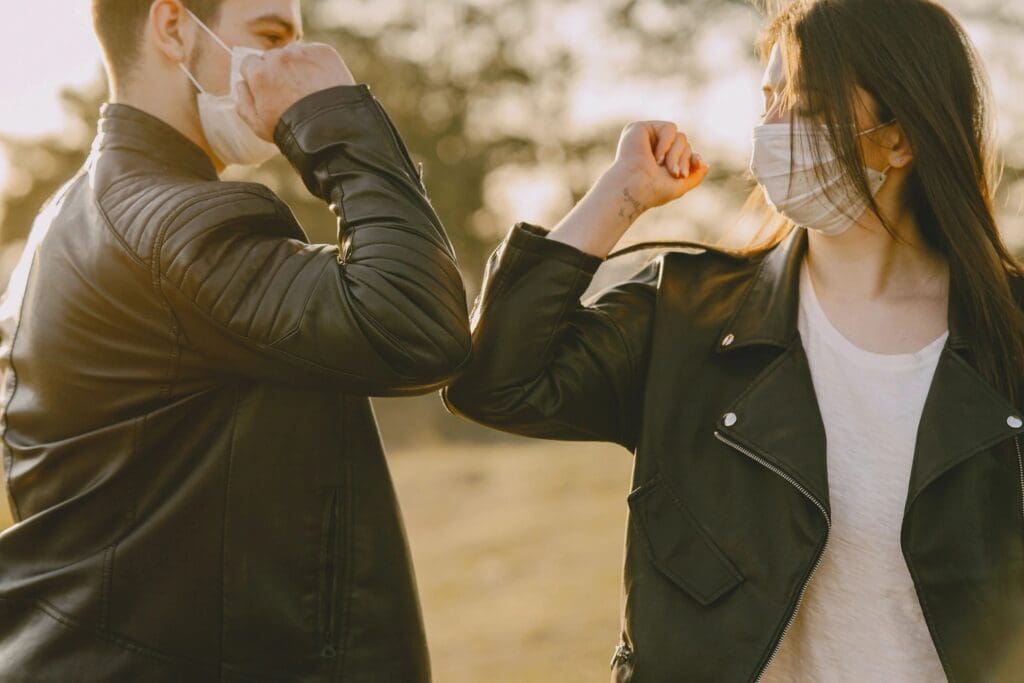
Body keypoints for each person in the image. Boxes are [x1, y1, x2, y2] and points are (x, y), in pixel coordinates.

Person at [443, 0, 1024, 679]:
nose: (770, 130)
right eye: (768, 99)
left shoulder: (1007, 336)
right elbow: (493, 379)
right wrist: (620, 197)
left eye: (802, 106)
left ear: (899, 139)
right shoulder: (688, 316)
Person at [0, 0, 470, 680]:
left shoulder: (74, 213)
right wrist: (334, 113)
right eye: (272, 37)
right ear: (172, 26)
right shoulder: (177, 225)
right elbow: (418, 323)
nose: (301, 65)